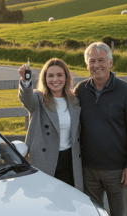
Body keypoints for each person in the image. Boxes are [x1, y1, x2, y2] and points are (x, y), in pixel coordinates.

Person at [74, 42, 127, 216]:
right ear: (87, 65)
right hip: (88, 171)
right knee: (91, 214)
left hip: (118, 172)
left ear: (110, 63)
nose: (96, 65)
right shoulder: (80, 90)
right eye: (91, 61)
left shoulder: (126, 91)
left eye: (101, 60)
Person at [18, 58, 83, 191]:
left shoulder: (74, 101)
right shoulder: (38, 99)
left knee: (68, 201)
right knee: (45, 200)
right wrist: (26, 82)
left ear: (66, 77)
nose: (55, 79)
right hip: (44, 160)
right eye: (51, 75)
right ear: (44, 78)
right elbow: (27, 99)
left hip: (69, 160)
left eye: (60, 75)